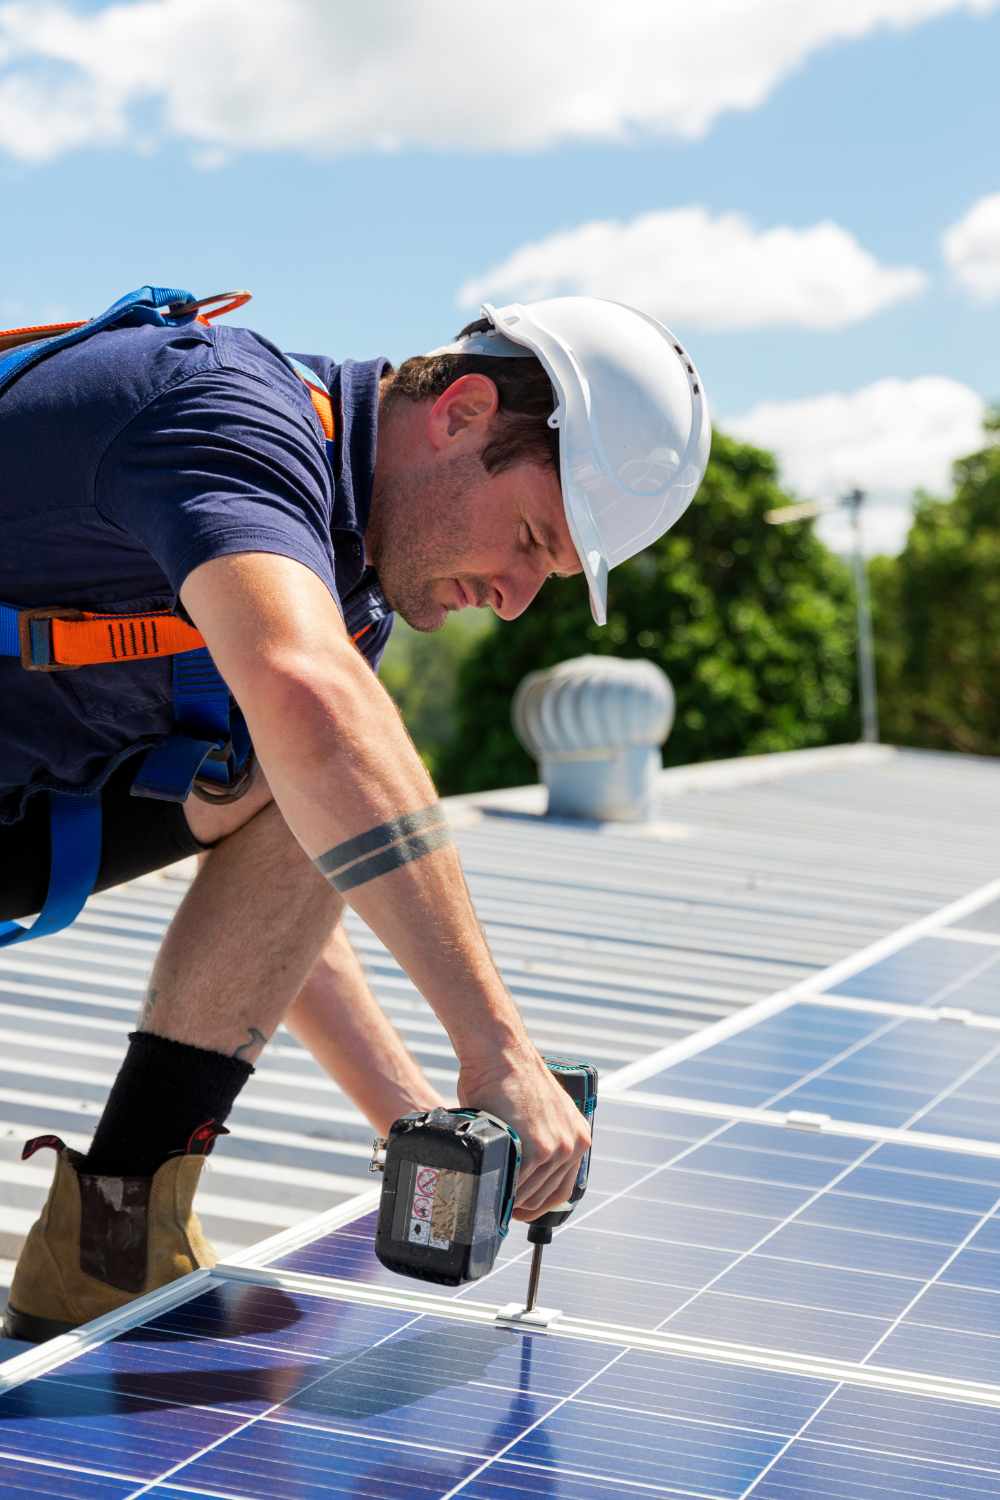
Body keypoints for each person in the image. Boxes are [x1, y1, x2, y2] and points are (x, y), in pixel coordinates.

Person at [0, 292, 709, 1341]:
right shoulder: (218, 412)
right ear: (461, 411)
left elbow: (312, 857)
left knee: (312, 786)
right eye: (527, 538)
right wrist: (498, 1048)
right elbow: (314, 704)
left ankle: (111, 1241)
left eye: (545, 576)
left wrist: (416, 1124)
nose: (515, 599)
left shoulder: (341, 580)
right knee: (330, 742)